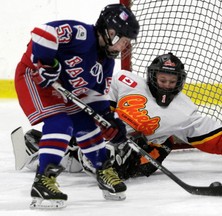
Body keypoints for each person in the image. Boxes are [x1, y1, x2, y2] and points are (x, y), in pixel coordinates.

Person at [20, 53, 222, 182]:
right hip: (109, 134)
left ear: (180, 82)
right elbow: (98, 94)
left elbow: (209, 134)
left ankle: (67, 153)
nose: (167, 85)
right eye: (162, 79)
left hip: (143, 147)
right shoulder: (126, 80)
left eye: (172, 81)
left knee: (124, 163)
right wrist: (105, 118)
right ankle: (51, 146)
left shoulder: (184, 109)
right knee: (95, 145)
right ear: (152, 76)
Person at [14, 3, 139, 209]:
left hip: (64, 90)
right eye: (124, 40)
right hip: (34, 79)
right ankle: (43, 181)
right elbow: (43, 33)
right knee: (61, 124)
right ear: (110, 32)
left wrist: (107, 119)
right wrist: (47, 64)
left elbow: (95, 96)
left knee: (87, 125)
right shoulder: (81, 34)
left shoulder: (107, 62)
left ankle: (103, 169)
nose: (124, 47)